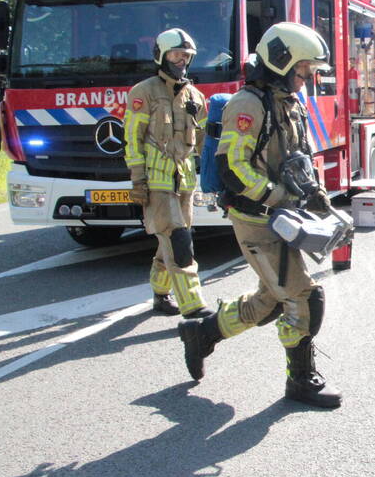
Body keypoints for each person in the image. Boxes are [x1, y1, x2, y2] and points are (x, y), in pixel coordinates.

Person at [177, 22, 341, 409]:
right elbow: (235, 170)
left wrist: (313, 191)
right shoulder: (247, 105)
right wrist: (278, 197)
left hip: (284, 217)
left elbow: (297, 157)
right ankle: (300, 380)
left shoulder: (289, 102)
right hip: (256, 218)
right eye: (302, 71)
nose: (305, 80)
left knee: (269, 300)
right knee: (304, 296)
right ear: (281, 62)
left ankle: (202, 334)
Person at [124, 28, 212, 318]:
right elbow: (132, 139)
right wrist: (138, 179)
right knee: (178, 240)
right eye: (176, 55)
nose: (181, 61)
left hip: (184, 181)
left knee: (172, 239)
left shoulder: (196, 96)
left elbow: (201, 142)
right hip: (156, 180)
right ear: (161, 56)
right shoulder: (144, 92)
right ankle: (192, 304)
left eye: (186, 56)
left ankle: (160, 296)